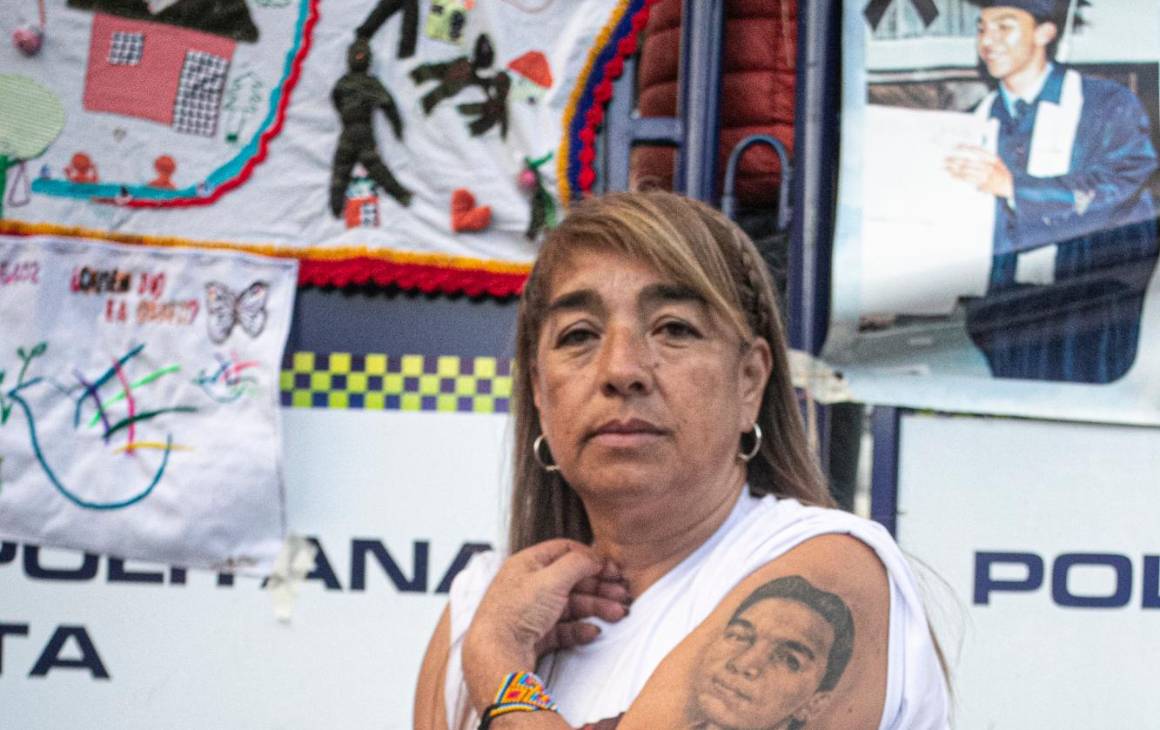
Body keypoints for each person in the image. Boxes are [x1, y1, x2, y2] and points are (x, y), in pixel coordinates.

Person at [412, 191, 949, 728]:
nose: (621, 369)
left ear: (749, 380)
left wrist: (499, 669)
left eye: (674, 328)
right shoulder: (481, 602)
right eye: (579, 335)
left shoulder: (827, 574)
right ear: (538, 391)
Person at [945, 0, 1159, 383]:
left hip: (1091, 314)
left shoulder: (1105, 106)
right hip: (1004, 316)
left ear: (1045, 33)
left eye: (1004, 26)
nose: (988, 41)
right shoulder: (975, 120)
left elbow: (1125, 180)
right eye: (981, 29)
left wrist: (1015, 188)